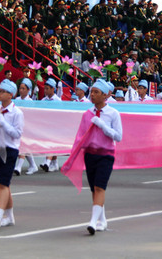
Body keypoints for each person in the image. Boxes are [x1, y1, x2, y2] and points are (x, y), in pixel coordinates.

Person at [70, 79, 122, 235]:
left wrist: (103, 125)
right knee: (94, 188)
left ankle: (93, 222)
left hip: (106, 154)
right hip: (90, 154)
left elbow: (118, 136)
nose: (92, 95)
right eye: (91, 92)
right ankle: (102, 220)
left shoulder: (113, 114)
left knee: (100, 187)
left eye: (96, 92)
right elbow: (80, 136)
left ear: (105, 95)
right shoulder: (88, 114)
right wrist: (74, 154)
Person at [0, 80, 24, 229]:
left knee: (3, 183)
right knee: (2, 185)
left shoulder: (17, 113)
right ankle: (10, 217)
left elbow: (17, 134)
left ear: (10, 94)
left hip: (9, 150)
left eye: (2, 91)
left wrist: (3, 123)